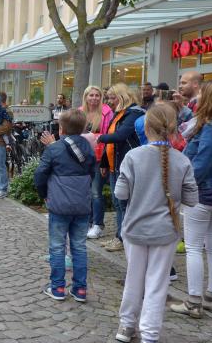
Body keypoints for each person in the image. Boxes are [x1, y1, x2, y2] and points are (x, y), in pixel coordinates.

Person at [114, 103, 198, 343]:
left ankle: (126, 326)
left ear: (146, 127)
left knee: (134, 278)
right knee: (156, 284)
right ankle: (149, 340)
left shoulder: (133, 157)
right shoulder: (182, 160)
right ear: (173, 128)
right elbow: (192, 199)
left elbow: (120, 194)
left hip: (134, 228)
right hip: (165, 230)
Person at [170, 80, 212, 318]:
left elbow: (202, 163)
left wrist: (184, 186)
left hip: (202, 193)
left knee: (194, 248)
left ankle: (193, 301)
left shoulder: (210, 128)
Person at [34, 109, 95, 302]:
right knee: (79, 247)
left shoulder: (54, 149)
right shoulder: (88, 146)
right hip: (82, 204)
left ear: (61, 128)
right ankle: (80, 289)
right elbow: (92, 172)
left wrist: (44, 195)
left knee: (57, 247)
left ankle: (58, 287)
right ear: (82, 128)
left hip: (59, 204)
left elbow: (40, 175)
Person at [97, 83, 145, 252]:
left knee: (124, 204)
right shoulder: (120, 114)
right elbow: (111, 142)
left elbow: (119, 136)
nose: (109, 101)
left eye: (112, 98)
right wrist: (104, 162)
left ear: (122, 97)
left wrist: (98, 137)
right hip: (114, 165)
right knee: (118, 203)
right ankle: (120, 236)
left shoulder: (134, 114)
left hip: (125, 165)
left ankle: (124, 238)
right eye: (108, 98)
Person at [79, 86, 113, 239]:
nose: (94, 98)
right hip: (83, 157)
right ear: (86, 97)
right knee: (85, 192)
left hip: (100, 157)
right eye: (91, 95)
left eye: (97, 95)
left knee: (96, 192)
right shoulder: (80, 112)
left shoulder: (106, 112)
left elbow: (109, 135)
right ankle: (87, 222)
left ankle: (98, 224)